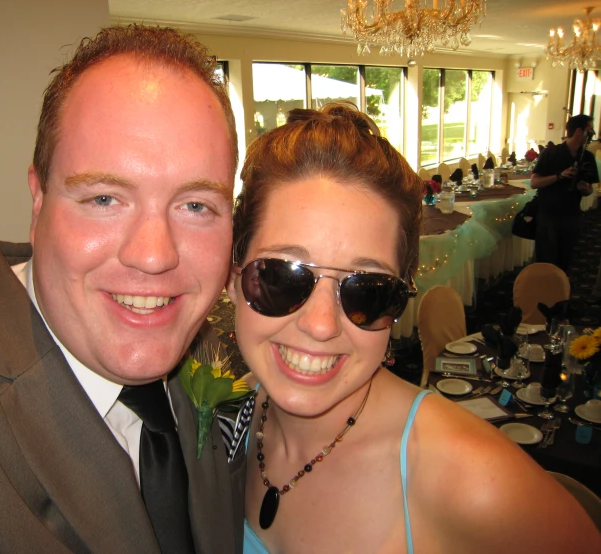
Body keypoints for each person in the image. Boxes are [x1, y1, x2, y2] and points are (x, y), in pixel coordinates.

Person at [0, 25, 245, 553]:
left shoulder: (224, 349)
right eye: (105, 199)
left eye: (196, 206)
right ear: (38, 200)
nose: (155, 256)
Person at [225, 102, 601, 553]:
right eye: (281, 276)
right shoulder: (230, 417)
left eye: (368, 290)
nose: (322, 325)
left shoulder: (473, 478)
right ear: (232, 276)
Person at [531, 114, 599, 272]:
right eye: (589, 130)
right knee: (545, 261)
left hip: (572, 216)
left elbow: (589, 190)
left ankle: (558, 293)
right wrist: (559, 176)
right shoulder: (551, 153)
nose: (593, 133)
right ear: (578, 132)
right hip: (548, 216)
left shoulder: (587, 157)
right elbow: (534, 183)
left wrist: (585, 188)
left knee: (565, 259)